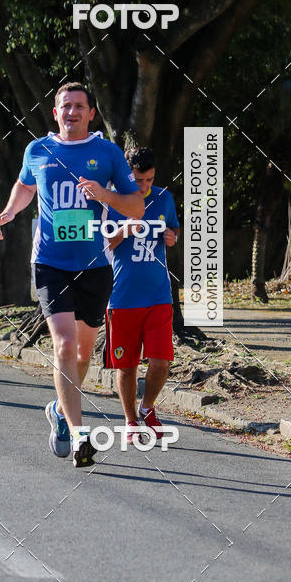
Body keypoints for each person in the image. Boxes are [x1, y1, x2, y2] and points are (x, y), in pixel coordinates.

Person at [0, 82, 144, 467]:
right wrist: (11, 210)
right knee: (63, 343)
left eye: (79, 106)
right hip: (49, 263)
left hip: (94, 266)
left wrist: (105, 196)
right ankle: (80, 436)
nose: (72, 112)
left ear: (91, 113)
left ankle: (60, 412)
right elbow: (25, 186)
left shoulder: (107, 153)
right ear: (56, 113)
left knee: (83, 351)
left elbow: (137, 208)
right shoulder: (37, 150)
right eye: (65, 106)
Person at [104, 147, 180, 441]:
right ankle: (130, 420)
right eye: (138, 180)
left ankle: (148, 408)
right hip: (123, 299)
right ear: (127, 175)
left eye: (148, 179)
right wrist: (124, 229)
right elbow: (101, 245)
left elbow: (173, 227)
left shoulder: (164, 198)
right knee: (126, 366)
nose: (144, 186)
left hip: (159, 296)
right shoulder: (112, 201)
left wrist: (173, 235)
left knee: (161, 360)